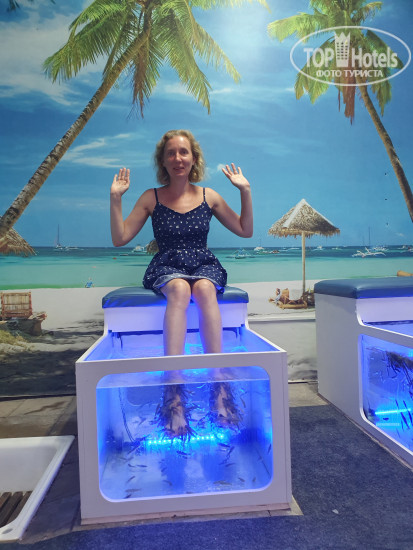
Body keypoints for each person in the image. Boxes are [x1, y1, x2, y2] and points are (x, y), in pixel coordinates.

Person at [110, 129, 252, 437]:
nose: (178, 158)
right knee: (178, 288)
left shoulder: (209, 196)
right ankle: (173, 390)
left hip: (203, 263)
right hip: (168, 264)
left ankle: (219, 385)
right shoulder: (151, 197)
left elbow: (245, 230)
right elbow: (120, 238)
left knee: (204, 288)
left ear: (193, 158)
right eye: (171, 153)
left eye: (183, 152)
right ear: (163, 161)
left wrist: (245, 190)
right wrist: (116, 198)